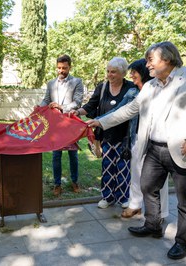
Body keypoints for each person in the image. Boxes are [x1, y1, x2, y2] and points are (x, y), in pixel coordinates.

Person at [87, 41, 186, 260]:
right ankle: (153, 225)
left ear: (167, 59)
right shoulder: (151, 86)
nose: (147, 65)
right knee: (147, 186)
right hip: (154, 149)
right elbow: (129, 110)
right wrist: (100, 122)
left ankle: (183, 241)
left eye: (150, 59)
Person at [72, 57, 134, 209]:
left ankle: (123, 197)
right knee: (107, 167)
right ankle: (107, 197)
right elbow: (91, 105)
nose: (109, 75)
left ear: (123, 73)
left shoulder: (131, 88)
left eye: (113, 72)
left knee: (123, 168)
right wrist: (77, 111)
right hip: (105, 135)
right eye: (108, 71)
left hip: (124, 136)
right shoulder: (103, 87)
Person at [114, 59, 169, 219]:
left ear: (143, 73)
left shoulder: (159, 90)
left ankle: (162, 213)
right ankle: (135, 205)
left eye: (134, 72)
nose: (131, 75)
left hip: (158, 140)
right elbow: (119, 111)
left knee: (159, 178)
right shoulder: (132, 92)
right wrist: (97, 121)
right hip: (137, 137)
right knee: (136, 172)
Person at [39, 54, 84, 196]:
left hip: (71, 124)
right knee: (56, 155)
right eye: (59, 68)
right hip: (55, 126)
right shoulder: (51, 83)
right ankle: (57, 184)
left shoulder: (77, 82)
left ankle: (75, 181)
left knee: (73, 154)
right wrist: (39, 108)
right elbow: (46, 100)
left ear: (70, 67)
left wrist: (61, 107)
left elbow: (77, 102)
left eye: (64, 68)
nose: (61, 71)